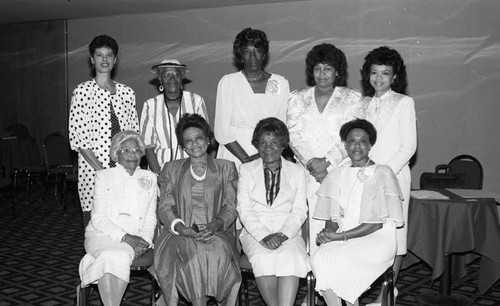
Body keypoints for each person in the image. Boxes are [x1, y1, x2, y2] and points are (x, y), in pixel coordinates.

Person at [310, 119, 404, 306]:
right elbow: (333, 218)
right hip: (346, 235)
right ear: (345, 145)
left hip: (378, 238)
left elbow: (375, 224)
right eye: (352, 141)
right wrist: (327, 233)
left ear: (370, 146)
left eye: (363, 141)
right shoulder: (337, 174)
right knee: (319, 257)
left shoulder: (381, 172)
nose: (357, 146)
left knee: (342, 261)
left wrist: (339, 237)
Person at [154, 114, 241, 306]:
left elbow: (230, 206)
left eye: (199, 138)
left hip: (218, 231)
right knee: (194, 254)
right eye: (188, 140)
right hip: (180, 232)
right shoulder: (171, 169)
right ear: (183, 146)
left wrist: (215, 224)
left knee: (217, 253)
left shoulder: (226, 168)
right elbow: (165, 207)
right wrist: (182, 228)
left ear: (208, 140)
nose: (195, 144)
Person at [287, 43, 364, 254]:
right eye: (317, 68)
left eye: (328, 68)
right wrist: (313, 165)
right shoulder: (297, 97)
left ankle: (334, 282)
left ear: (337, 71)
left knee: (338, 225)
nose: (322, 74)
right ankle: (313, 277)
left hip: (340, 170)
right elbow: (293, 135)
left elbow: (352, 135)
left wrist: (327, 163)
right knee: (310, 227)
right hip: (307, 173)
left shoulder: (352, 97)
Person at [361, 46, 417, 305]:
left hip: (393, 178)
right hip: (365, 178)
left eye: (385, 73)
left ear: (395, 77)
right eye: (374, 72)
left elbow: (408, 146)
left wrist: (382, 173)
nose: (379, 78)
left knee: (395, 235)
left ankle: (388, 292)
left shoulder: (404, 102)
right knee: (370, 234)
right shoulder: (363, 104)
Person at [78, 130, 158, 306]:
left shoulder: (150, 178)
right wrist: (126, 238)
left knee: (114, 256)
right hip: (101, 234)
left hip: (136, 237)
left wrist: (144, 241)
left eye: (136, 150)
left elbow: (151, 217)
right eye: (126, 150)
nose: (132, 155)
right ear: (116, 153)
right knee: (112, 254)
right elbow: (98, 218)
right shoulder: (103, 176)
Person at [237, 117, 309, 306]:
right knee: (263, 258)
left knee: (291, 257)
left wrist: (283, 234)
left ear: (283, 145)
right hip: (255, 233)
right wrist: (264, 236)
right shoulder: (245, 170)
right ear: (256, 145)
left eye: (274, 142)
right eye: (263, 142)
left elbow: (300, 210)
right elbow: (244, 209)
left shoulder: (297, 171)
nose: (268, 148)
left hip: (288, 232)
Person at [69, 34, 139, 226]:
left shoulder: (127, 93)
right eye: (99, 55)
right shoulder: (82, 92)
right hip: (94, 174)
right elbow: (81, 142)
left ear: (115, 60)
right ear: (92, 59)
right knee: (97, 233)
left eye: (109, 55)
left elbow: (134, 137)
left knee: (125, 228)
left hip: (125, 172)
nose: (105, 59)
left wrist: (126, 171)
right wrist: (104, 174)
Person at [214, 27, 290, 169]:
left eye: (257, 51)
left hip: (269, 154)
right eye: (247, 52)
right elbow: (222, 130)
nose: (253, 56)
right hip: (233, 154)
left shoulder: (280, 83)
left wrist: (262, 156)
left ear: (264, 55)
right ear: (240, 56)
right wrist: (246, 160)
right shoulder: (228, 82)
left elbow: (282, 127)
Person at [140, 59, 209, 175]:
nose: (172, 79)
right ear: (160, 79)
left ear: (182, 77)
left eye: (176, 74)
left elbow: (204, 138)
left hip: (192, 167)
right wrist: (159, 175)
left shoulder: (196, 101)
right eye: (167, 74)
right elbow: (148, 147)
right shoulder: (150, 105)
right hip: (160, 168)